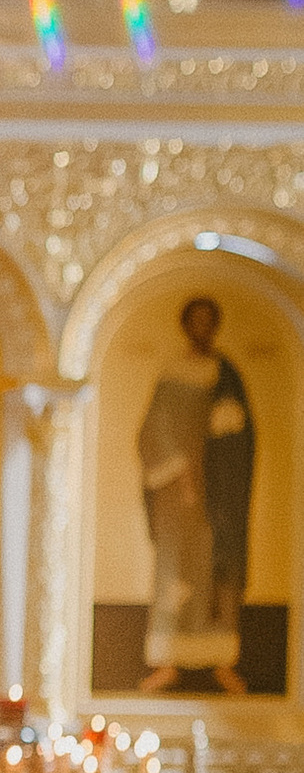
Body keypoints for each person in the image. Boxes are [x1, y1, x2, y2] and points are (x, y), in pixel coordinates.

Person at [139, 292, 256, 693]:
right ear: (186, 324)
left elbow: (241, 433)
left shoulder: (226, 372)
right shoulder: (172, 370)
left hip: (217, 494)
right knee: (173, 571)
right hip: (175, 492)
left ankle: (220, 661)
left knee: (216, 571)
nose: (202, 327)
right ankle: (168, 661)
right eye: (196, 320)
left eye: (210, 320)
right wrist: (179, 468)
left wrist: (224, 441)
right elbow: (153, 428)